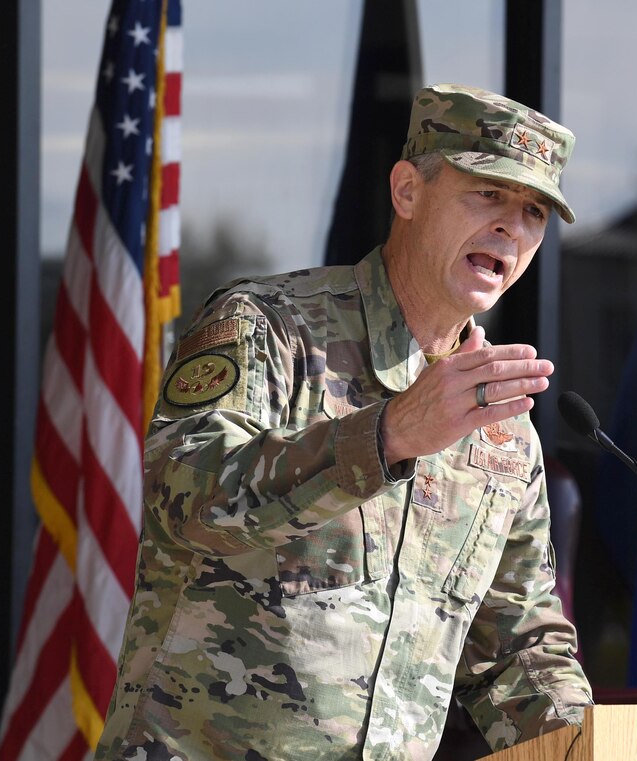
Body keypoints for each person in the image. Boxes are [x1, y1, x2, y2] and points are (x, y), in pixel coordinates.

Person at [95, 83, 593, 761]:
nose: (512, 226)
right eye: (488, 194)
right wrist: (386, 436)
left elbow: (515, 646)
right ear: (408, 191)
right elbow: (187, 496)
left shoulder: (501, 433)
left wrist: (588, 741)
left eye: (534, 211)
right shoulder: (266, 329)